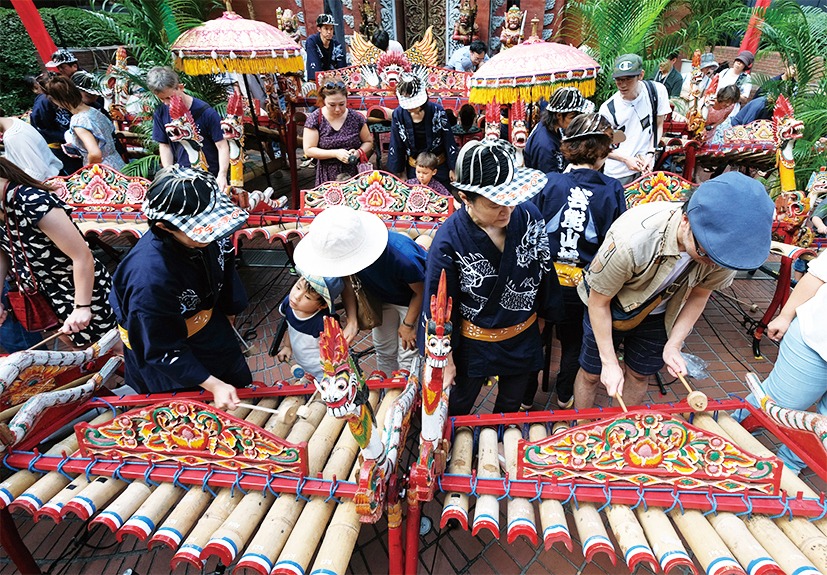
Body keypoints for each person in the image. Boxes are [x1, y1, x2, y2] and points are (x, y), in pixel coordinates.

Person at [573, 172, 774, 409]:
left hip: (660, 312)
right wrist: (608, 362)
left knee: (639, 374)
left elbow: (700, 295)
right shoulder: (632, 238)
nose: (713, 264)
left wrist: (674, 344)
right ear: (686, 220)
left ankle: (624, 431)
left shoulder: (724, 253)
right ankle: (579, 427)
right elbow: (599, 302)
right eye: (706, 254)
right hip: (611, 304)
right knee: (592, 374)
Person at [423, 140, 562, 415]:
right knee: (457, 407)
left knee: (510, 408)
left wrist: (542, 320)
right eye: (495, 203)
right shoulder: (448, 241)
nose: (506, 210)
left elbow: (544, 270)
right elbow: (438, 308)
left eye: (511, 200)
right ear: (465, 197)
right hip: (474, 341)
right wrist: (444, 359)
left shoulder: (529, 216)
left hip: (521, 334)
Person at [109, 166, 250, 411]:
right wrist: (213, 385)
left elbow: (225, 268)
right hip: (165, 349)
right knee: (189, 416)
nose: (212, 234)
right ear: (164, 227)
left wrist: (229, 313)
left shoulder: (207, 237)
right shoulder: (148, 279)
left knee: (239, 391)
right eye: (201, 230)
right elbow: (159, 346)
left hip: (210, 328)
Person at [527, 114, 627, 409]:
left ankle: (523, 396)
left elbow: (531, 229)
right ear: (599, 151)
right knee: (573, 341)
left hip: (543, 281)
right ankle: (564, 393)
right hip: (586, 286)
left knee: (535, 334)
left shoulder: (548, 182)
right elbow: (615, 241)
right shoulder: (612, 189)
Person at [293, 205, 426, 376]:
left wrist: (408, 324)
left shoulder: (403, 256)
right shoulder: (344, 252)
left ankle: (408, 390)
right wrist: (352, 320)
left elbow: (421, 291)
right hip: (380, 298)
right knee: (383, 347)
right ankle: (386, 391)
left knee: (408, 351)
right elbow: (348, 282)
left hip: (410, 301)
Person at [0, 158, 115, 347]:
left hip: (80, 288)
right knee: (85, 354)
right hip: (44, 297)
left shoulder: (31, 200)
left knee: (114, 350)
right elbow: (3, 253)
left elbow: (82, 256)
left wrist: (82, 306)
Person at [739, 250, 826, 474]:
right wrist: (786, 315)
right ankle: (728, 432)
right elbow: (816, 276)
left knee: (823, 430)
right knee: (777, 403)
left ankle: (789, 468)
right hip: (815, 341)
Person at [146, 67, 228, 187]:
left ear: (180, 87)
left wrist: (222, 175)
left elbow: (222, 146)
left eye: (170, 97)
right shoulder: (161, 112)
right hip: (183, 176)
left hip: (210, 175)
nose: (167, 103)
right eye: (162, 99)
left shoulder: (206, 112)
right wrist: (169, 171)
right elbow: (164, 145)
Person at [599, 54, 671, 185]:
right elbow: (600, 145)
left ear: (641, 75)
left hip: (645, 166)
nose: (622, 84)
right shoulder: (609, 108)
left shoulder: (656, 91)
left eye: (628, 79)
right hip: (618, 172)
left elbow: (658, 125)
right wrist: (625, 159)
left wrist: (650, 153)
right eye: (618, 79)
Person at [387, 73, 458, 186]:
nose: (410, 108)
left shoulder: (437, 111)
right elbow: (396, 144)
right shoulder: (398, 114)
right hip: (415, 169)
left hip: (438, 167)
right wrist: (400, 172)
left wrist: (453, 168)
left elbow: (448, 140)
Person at [41, 76, 126, 170]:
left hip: (104, 171)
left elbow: (95, 153)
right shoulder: (94, 110)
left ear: (57, 100)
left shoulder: (78, 121)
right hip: (117, 163)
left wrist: (87, 170)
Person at [276, 271, 344, 381]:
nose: (296, 297)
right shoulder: (288, 304)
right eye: (298, 287)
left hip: (324, 371)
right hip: (303, 366)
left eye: (307, 297)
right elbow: (290, 326)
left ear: (322, 305)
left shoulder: (325, 322)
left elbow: (337, 349)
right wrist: (287, 346)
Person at [302, 81, 373, 186]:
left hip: (354, 172)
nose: (337, 109)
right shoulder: (316, 118)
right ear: (323, 101)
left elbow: (368, 141)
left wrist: (358, 152)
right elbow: (308, 150)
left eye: (341, 104)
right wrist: (335, 153)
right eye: (332, 105)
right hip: (327, 174)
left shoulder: (356, 118)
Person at [524, 87, 590, 174]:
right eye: (572, 117)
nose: (575, 121)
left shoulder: (555, 128)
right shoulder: (544, 145)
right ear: (559, 115)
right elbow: (549, 181)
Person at [30, 73, 83, 175]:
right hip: (59, 145)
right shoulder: (43, 103)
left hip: (72, 139)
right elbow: (41, 127)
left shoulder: (60, 99)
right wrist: (66, 136)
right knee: (75, 173)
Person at [0, 111, 63, 181]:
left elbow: (37, 173)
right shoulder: (12, 121)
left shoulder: (13, 137)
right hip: (54, 172)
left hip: (50, 181)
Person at [306, 14, 347, 82]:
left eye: (331, 29)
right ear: (319, 29)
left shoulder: (337, 45)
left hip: (335, 80)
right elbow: (314, 65)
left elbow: (342, 68)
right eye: (326, 28)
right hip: (318, 80)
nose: (329, 32)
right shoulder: (312, 41)